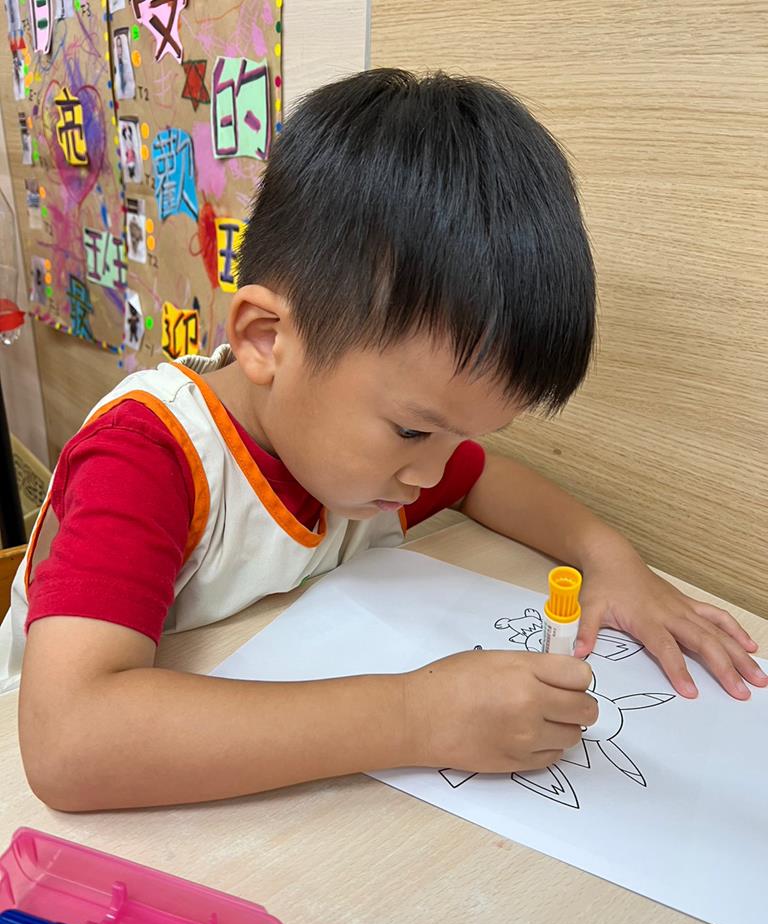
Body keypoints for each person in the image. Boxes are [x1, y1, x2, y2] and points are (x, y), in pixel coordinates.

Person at [2, 69, 763, 812]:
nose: (429, 474)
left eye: (459, 436)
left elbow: (481, 478)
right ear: (266, 339)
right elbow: (70, 743)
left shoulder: (358, 448)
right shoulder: (147, 457)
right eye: (415, 430)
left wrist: (612, 560)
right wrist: (415, 718)